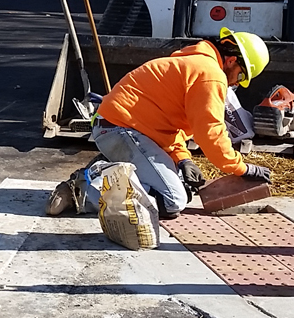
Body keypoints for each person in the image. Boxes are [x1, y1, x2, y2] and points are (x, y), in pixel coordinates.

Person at [47, 27, 272, 218]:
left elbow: (167, 125)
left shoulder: (194, 62)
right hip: (122, 129)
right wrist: (242, 168)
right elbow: (210, 133)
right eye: (241, 76)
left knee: (170, 189)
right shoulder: (211, 75)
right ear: (231, 60)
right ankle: (82, 189)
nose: (236, 83)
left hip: (119, 127)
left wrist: (183, 160)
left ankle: (108, 167)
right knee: (173, 200)